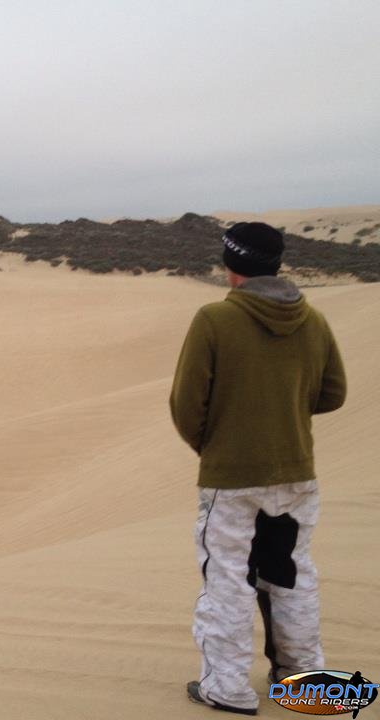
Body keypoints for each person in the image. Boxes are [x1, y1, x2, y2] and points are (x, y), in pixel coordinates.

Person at [169, 222, 347, 715]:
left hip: (232, 478)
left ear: (231, 266)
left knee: (228, 580)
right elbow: (333, 393)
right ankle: (304, 679)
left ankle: (227, 688)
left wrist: (214, 445)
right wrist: (284, 413)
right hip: (297, 473)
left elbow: (186, 405)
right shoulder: (312, 319)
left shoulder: (214, 319)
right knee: (291, 575)